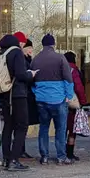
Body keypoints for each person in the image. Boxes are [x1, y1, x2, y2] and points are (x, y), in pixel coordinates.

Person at [30, 34, 74, 165]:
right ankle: (61, 157)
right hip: (58, 99)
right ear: (53, 44)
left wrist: (36, 93)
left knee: (43, 127)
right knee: (60, 129)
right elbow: (68, 79)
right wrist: (69, 96)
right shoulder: (60, 58)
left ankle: (44, 156)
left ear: (43, 44)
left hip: (41, 100)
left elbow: (31, 81)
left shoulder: (35, 60)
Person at [0, 33, 34, 171]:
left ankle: (6, 158)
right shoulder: (16, 53)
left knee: (8, 126)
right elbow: (21, 74)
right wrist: (31, 74)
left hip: (4, 94)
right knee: (22, 126)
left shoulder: (1, 53)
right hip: (18, 94)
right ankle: (14, 160)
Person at [16, 33, 36, 160]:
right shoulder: (22, 61)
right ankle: (19, 150)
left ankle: (20, 149)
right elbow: (23, 76)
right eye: (29, 48)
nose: (31, 50)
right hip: (23, 95)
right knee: (22, 124)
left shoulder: (27, 60)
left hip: (26, 94)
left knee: (23, 124)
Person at [64, 51, 88, 161]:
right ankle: (69, 153)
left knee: (61, 129)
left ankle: (61, 152)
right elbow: (79, 87)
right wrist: (83, 102)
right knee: (72, 129)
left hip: (60, 102)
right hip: (72, 104)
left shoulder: (61, 69)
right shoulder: (74, 70)